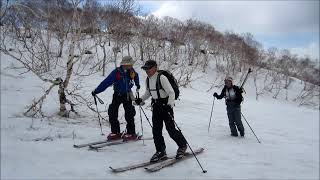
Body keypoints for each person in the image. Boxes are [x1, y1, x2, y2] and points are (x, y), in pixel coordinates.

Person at [134, 60, 187, 162]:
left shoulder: (161, 77)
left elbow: (171, 93)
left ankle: (182, 146)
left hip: (166, 106)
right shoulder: (148, 80)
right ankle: (161, 151)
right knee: (156, 131)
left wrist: (169, 105)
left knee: (171, 130)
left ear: (155, 68)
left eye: (148, 68)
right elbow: (149, 92)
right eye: (145, 69)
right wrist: (141, 99)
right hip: (156, 107)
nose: (147, 71)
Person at [91, 56, 140, 141]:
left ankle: (131, 133)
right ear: (125, 64)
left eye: (131, 64)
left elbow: (136, 76)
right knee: (112, 112)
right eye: (129, 64)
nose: (130, 66)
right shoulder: (116, 72)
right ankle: (115, 132)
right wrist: (96, 91)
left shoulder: (131, 71)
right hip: (117, 94)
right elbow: (106, 82)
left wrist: (137, 84)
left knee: (129, 113)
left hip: (127, 95)